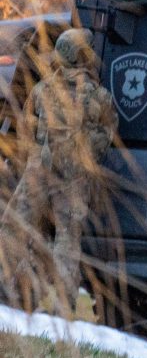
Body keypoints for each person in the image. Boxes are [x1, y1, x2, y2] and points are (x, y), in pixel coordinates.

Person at [3, 28, 117, 315]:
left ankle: (8, 291)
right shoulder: (100, 97)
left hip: (38, 172)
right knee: (67, 241)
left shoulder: (43, 90)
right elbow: (107, 135)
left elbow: (26, 129)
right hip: (75, 179)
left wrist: (38, 155)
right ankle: (60, 307)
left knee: (15, 228)